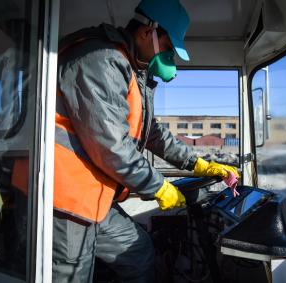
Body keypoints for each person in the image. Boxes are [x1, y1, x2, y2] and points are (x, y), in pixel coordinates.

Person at [53, 0, 239, 282]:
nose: (168, 58)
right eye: (167, 49)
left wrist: (198, 164)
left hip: (92, 196)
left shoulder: (131, 69)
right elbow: (112, 146)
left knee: (138, 253)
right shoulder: (100, 58)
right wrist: (160, 188)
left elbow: (152, 133)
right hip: (62, 198)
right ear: (147, 31)